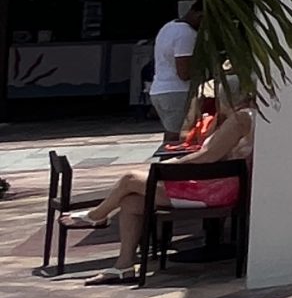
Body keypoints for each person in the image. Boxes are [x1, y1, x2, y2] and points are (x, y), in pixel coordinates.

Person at [81, 84, 254, 284]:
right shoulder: (238, 118)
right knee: (130, 203)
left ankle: (97, 215)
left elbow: (208, 156)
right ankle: (124, 265)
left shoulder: (241, 119)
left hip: (214, 189)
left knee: (130, 179)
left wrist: (173, 166)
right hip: (215, 184)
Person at [148, 0, 201, 143]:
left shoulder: (169, 27)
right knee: (179, 136)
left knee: (172, 132)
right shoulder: (186, 34)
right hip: (177, 92)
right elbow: (184, 72)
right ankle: (170, 164)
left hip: (161, 89)